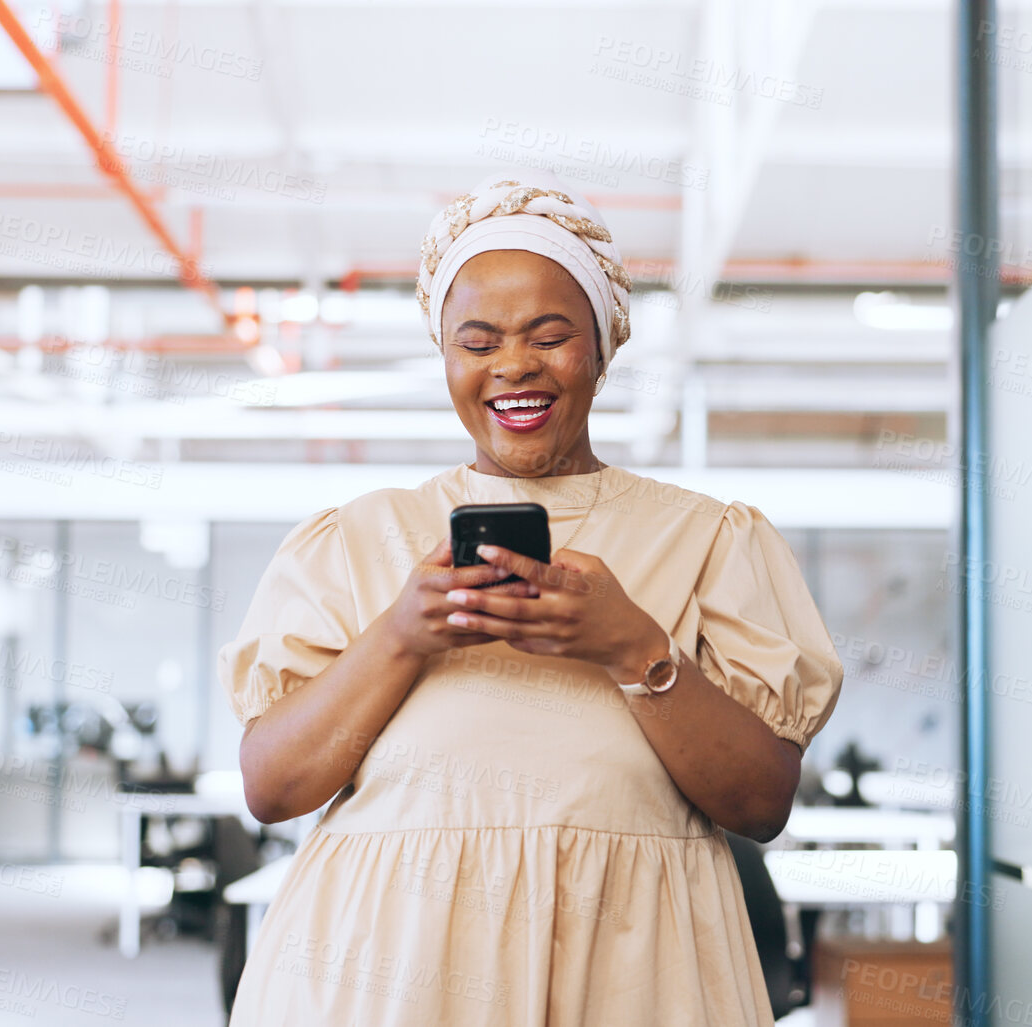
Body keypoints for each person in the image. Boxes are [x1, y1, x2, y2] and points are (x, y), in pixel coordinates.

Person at [224, 170, 844, 1025]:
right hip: (383, 975)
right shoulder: (354, 541)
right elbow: (272, 786)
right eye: (476, 343)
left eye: (549, 336)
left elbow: (760, 802)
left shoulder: (710, 541)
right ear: (445, 356)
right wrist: (401, 635)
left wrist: (635, 650)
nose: (513, 365)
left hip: (633, 973)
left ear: (602, 344)